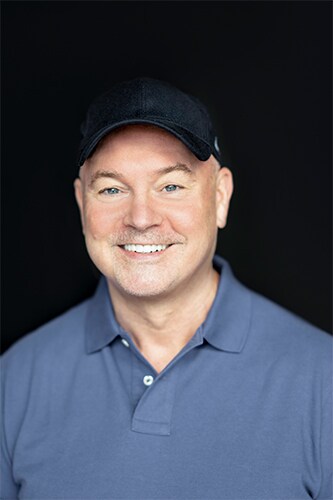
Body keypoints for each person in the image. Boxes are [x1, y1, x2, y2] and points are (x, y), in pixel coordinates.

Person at [1, 77, 332, 500]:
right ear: (83, 204)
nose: (141, 217)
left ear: (220, 197)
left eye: (171, 186)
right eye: (112, 189)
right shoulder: (15, 381)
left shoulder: (324, 381)